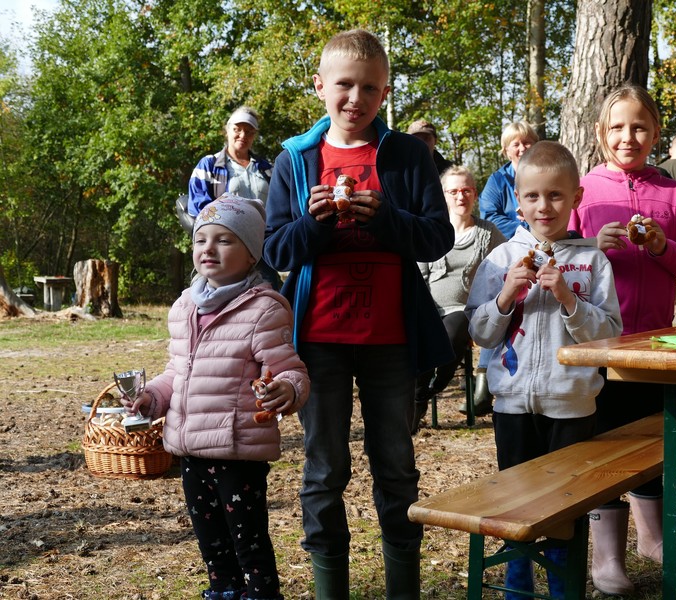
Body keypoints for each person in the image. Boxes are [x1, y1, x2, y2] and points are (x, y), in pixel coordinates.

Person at [262, 29, 454, 599]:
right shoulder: (295, 159)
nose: (355, 98)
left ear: (385, 91)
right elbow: (275, 250)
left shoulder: (407, 155)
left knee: (395, 464)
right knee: (324, 470)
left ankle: (402, 588)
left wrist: (385, 218)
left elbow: (437, 237)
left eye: (370, 87)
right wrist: (313, 224)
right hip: (317, 339)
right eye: (344, 85)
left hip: (391, 338)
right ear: (320, 86)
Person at [120, 194, 310, 600]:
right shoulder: (184, 305)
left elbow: (292, 369)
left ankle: (261, 595)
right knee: (212, 545)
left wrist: (287, 389)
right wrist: (150, 397)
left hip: (236, 449)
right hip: (190, 450)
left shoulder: (263, 308)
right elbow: (177, 372)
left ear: (251, 254)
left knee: (249, 544)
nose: (208, 248)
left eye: (224, 240)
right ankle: (223, 592)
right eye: (201, 239)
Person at [568, 84, 676, 596]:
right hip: (599, 344)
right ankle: (607, 559)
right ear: (601, 133)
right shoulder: (583, 190)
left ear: (654, 131)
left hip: (654, 344)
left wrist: (661, 246)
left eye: (639, 127)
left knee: (654, 440)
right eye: (617, 128)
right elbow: (558, 260)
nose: (628, 137)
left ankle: (654, 540)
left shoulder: (675, 194)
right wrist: (590, 247)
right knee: (608, 443)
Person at [465, 140, 623, 598]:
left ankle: (563, 588)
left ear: (576, 198)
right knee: (515, 505)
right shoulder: (499, 261)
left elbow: (608, 335)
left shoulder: (591, 262)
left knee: (564, 510)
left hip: (571, 406)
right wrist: (505, 296)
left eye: (555, 195)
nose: (544, 206)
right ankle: (518, 588)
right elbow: (480, 332)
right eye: (532, 195)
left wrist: (570, 301)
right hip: (513, 404)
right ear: (517, 198)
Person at [412, 166, 505, 431]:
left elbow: (506, 265)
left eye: (466, 190)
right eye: (453, 191)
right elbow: (420, 272)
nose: (460, 196)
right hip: (429, 306)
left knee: (449, 335)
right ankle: (414, 401)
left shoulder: (487, 233)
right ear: (443, 196)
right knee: (419, 335)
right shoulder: (433, 230)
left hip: (465, 310)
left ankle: (424, 394)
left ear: (474, 194)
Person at [188, 106, 281, 288]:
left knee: (268, 297)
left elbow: (278, 207)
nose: (242, 135)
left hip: (262, 248)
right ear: (227, 130)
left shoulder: (266, 168)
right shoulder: (209, 165)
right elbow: (199, 209)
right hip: (224, 250)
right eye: (237, 129)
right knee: (219, 300)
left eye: (249, 131)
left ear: (255, 135)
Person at [479, 121, 541, 239]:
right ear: (507, 151)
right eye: (516, 144)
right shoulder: (497, 181)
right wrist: (526, 227)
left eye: (527, 142)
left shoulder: (549, 175)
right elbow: (489, 217)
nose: (522, 148)